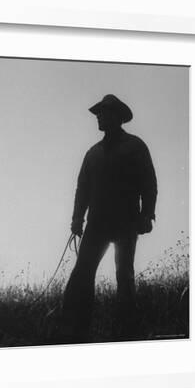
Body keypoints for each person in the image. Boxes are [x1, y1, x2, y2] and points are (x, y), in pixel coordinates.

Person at [61, 94, 157, 342]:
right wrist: (76, 220)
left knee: (124, 276)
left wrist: (147, 215)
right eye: (98, 114)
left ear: (116, 116)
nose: (98, 118)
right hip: (96, 225)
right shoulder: (92, 153)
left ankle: (127, 331)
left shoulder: (135, 146)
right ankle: (75, 331)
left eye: (103, 113)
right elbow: (82, 189)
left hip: (127, 223)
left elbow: (149, 184)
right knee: (83, 274)